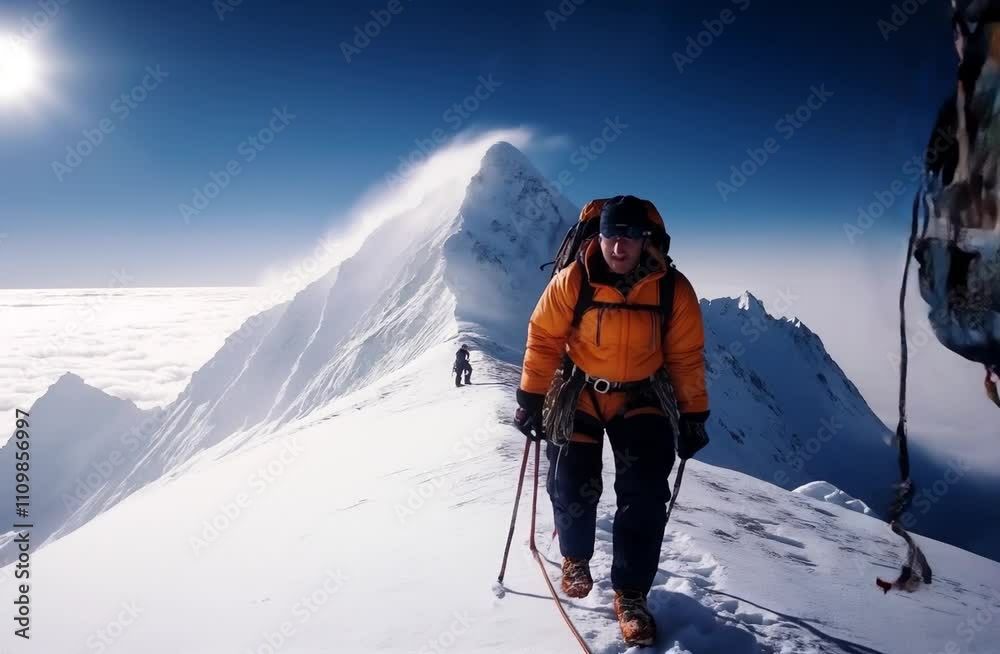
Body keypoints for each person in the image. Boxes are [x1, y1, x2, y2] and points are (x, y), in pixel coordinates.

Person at [514, 195, 710, 646]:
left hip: (641, 395)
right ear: (597, 236)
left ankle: (631, 594)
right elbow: (543, 339)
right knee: (571, 482)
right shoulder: (573, 281)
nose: (618, 246)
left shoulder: (671, 289)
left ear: (646, 240)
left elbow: (684, 357)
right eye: (610, 235)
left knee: (643, 495)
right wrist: (531, 396)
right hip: (579, 391)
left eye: (629, 235)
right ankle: (575, 558)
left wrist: (694, 413)